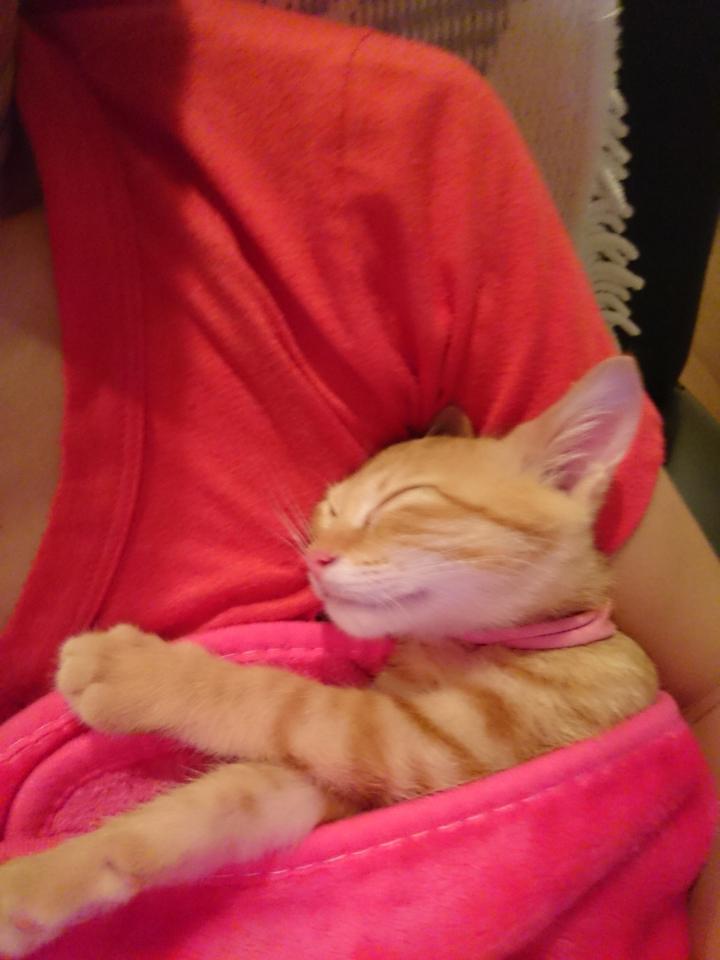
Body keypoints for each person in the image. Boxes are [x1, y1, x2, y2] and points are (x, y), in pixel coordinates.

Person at [0, 0, 717, 956]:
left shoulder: (590, 670)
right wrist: (108, 858)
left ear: (571, 474)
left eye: (400, 510)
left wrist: (195, 690)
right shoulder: (433, 652)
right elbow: (329, 789)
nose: (325, 554)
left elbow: (408, 760)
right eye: (332, 519)